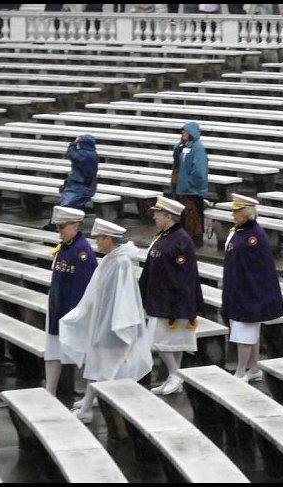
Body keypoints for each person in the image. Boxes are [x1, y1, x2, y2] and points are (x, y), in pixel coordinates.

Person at [60, 219, 152, 423]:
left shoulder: (120, 263)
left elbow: (124, 299)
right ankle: (90, 401)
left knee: (107, 367)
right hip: (103, 321)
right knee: (99, 364)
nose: (96, 242)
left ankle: (87, 408)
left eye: (99, 238)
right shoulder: (110, 259)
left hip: (114, 325)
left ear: (109, 239)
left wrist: (114, 326)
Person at [139, 196, 204, 395]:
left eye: (157, 214)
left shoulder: (181, 240)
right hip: (160, 298)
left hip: (172, 300)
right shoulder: (164, 236)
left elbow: (182, 275)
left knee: (160, 341)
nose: (154, 218)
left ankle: (175, 375)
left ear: (168, 216)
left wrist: (176, 300)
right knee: (171, 341)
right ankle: (174, 377)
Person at [221, 194, 283, 382]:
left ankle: (241, 371)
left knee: (244, 332)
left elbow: (257, 269)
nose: (233, 215)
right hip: (237, 288)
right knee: (248, 332)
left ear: (246, 213)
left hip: (249, 291)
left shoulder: (254, 235)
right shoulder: (240, 231)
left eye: (236, 212)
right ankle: (254, 368)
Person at [44, 207, 97, 398]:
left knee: (86, 354)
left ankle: (92, 396)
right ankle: (50, 390)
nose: (60, 231)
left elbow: (84, 288)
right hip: (58, 309)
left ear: (75, 226)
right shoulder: (65, 247)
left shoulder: (82, 252)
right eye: (58, 227)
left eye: (63, 227)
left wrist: (75, 315)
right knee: (53, 351)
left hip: (73, 312)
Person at [170, 121, 209, 247]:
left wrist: (189, 183)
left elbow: (199, 171)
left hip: (192, 190)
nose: (183, 133)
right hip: (182, 188)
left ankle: (195, 240)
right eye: (182, 131)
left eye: (186, 131)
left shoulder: (197, 148)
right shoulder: (183, 147)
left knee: (194, 216)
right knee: (184, 216)